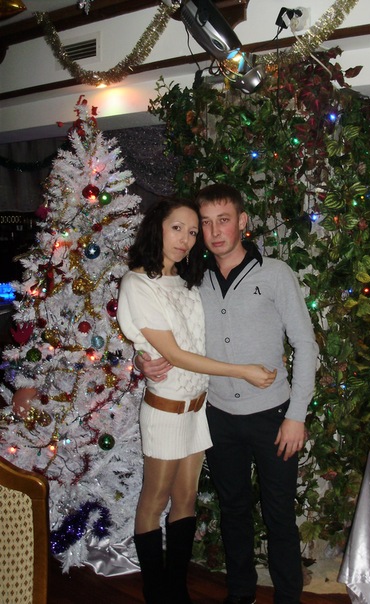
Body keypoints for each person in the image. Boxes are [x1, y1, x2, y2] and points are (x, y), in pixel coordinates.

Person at [136, 184, 319, 604]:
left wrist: (297, 415)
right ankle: (241, 594)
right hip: (216, 415)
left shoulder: (275, 274)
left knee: (279, 515)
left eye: (224, 220)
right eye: (206, 223)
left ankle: (287, 597)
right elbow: (165, 335)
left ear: (242, 221)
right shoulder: (191, 280)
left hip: (274, 416)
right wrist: (142, 360)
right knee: (233, 510)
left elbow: (305, 345)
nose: (215, 231)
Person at [116, 197, 276, 604]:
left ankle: (177, 588)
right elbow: (176, 354)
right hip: (166, 411)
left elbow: (199, 338)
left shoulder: (188, 281)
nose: (186, 239)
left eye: (192, 232)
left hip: (197, 409)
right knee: (154, 501)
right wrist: (242, 370)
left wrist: (138, 359)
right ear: (157, 227)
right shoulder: (137, 283)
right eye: (177, 228)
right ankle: (156, 592)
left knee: (185, 501)